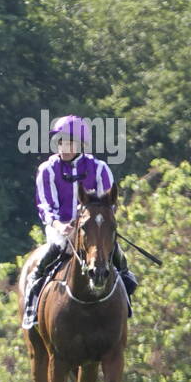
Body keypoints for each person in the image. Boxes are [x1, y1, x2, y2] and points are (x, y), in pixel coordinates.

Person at [22, 115, 137, 327]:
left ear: (81, 144)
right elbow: (46, 205)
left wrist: (99, 225)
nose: (64, 147)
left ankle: (127, 293)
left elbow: (109, 204)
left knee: (116, 254)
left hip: (92, 227)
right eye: (61, 142)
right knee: (55, 249)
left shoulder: (100, 168)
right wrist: (60, 225)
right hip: (61, 227)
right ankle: (33, 294)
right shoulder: (47, 170)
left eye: (69, 142)